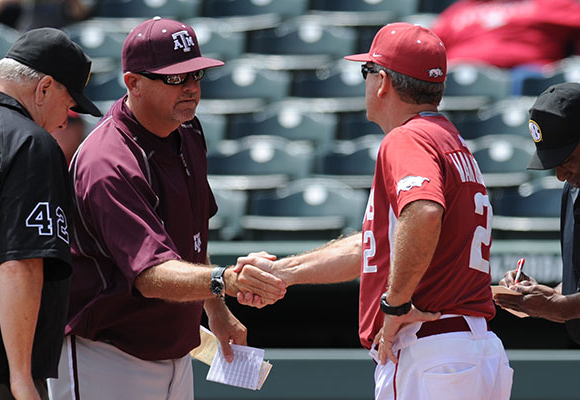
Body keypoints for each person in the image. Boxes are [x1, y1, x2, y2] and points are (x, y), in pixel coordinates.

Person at [237, 22, 513, 400]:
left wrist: (395, 304)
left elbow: (424, 211)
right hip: (468, 351)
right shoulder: (448, 138)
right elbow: (377, 245)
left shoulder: (407, 136)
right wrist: (283, 272)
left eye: (366, 71)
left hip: (431, 351)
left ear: (382, 81)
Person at [47, 17, 286, 400]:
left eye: (195, 75)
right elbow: (150, 275)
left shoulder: (187, 129)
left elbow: (191, 239)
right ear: (133, 83)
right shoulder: (107, 161)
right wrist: (224, 280)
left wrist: (217, 310)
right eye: (175, 78)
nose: (191, 88)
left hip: (175, 350)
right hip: (106, 353)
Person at [0, 27, 101, 400]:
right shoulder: (28, 143)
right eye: (68, 104)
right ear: (44, 87)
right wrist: (20, 378)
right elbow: (22, 263)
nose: (66, 120)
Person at [494, 82, 580, 344]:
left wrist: (559, 306)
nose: (560, 175)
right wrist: (542, 295)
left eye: (565, 159)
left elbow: (566, 307)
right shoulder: (573, 190)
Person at [432, 0, 580, 70]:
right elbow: (429, 46)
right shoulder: (458, 10)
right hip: (461, 74)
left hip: (526, 76)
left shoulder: (545, 4)